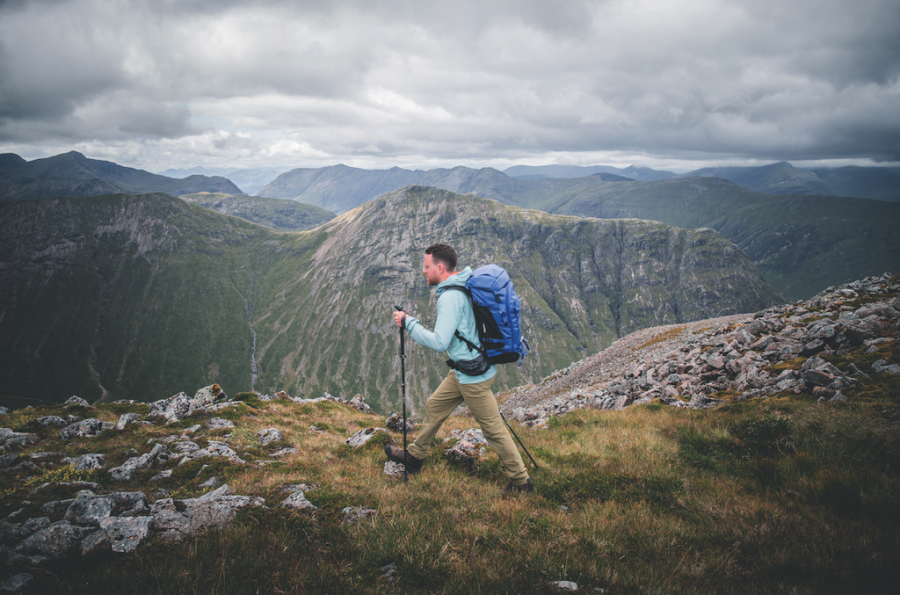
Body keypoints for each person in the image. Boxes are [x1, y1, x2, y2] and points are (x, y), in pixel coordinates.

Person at [387, 243, 533, 493]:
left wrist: (409, 323)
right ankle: (415, 456)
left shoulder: (450, 297)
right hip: (464, 369)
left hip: (472, 377)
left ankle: (521, 482)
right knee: (435, 405)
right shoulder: (462, 282)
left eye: (426, 266)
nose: (423, 271)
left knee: (493, 430)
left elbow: (439, 342)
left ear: (440, 267)